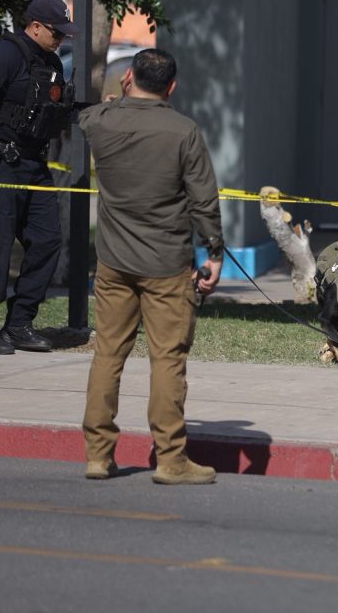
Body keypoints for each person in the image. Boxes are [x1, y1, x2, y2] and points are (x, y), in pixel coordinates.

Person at [78, 48, 224, 485]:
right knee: (167, 359)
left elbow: (89, 115)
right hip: (166, 264)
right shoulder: (183, 131)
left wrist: (118, 100)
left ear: (128, 77)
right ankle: (171, 459)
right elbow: (203, 199)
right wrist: (213, 251)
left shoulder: (101, 122)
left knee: (108, 353)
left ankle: (98, 454)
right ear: (172, 87)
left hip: (114, 262)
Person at [0, 0, 79, 355]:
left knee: (47, 241)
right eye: (56, 33)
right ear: (35, 26)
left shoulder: (51, 60)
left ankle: (21, 323)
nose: (60, 40)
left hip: (33, 167)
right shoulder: (3, 55)